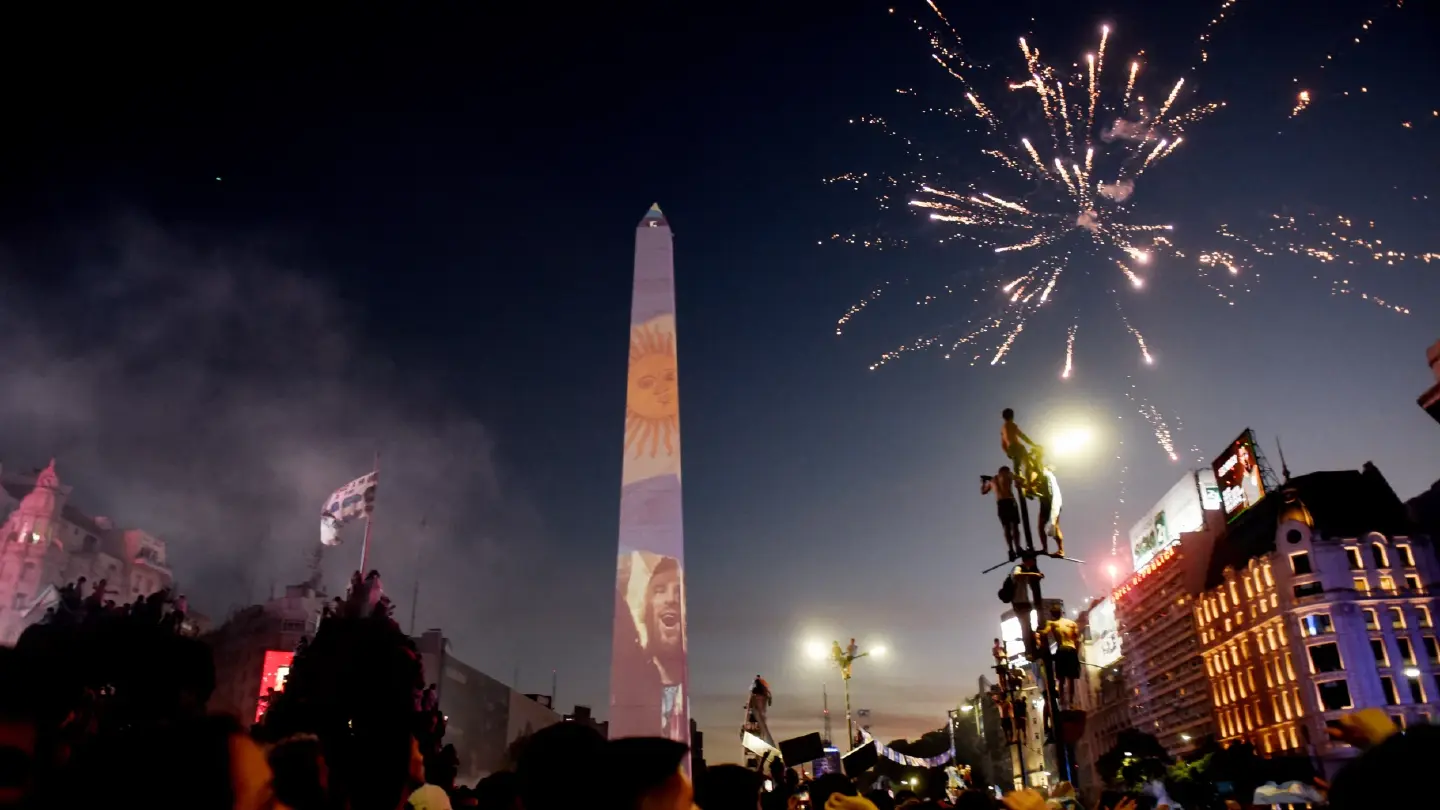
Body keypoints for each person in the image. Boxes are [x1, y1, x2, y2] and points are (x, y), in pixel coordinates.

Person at [1038, 605, 1081, 708]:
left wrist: (1036, 632)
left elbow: (1044, 633)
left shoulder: (1052, 623)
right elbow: (1077, 640)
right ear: (1061, 612)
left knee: (1061, 678)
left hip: (1062, 650)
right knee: (1071, 678)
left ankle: (1062, 700)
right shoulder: (1071, 623)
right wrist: (1076, 654)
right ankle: (1070, 701)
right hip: (1071, 650)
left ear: (1052, 615)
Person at [982, 467, 1023, 560]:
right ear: (1006, 470)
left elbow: (983, 491)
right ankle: (1018, 548)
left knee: (1006, 527)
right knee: (1014, 526)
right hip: (1010, 501)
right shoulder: (1008, 474)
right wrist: (1019, 482)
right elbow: (1019, 481)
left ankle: (1011, 550)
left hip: (1000, 504)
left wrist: (983, 482)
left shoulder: (992, 480)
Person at [1032, 455, 1063, 557]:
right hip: (1055, 501)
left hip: (1048, 500)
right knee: (1054, 526)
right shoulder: (1050, 476)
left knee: (1041, 526)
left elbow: (1034, 484)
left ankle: (1046, 548)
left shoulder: (1044, 473)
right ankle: (1060, 550)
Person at [1000, 409, 1039, 487]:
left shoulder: (1002, 429)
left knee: (1017, 466)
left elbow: (1003, 444)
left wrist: (1007, 452)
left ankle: (1018, 481)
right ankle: (1029, 484)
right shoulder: (1012, 425)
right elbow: (1022, 436)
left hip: (1011, 449)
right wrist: (1033, 445)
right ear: (1012, 416)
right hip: (1018, 447)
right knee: (1028, 465)